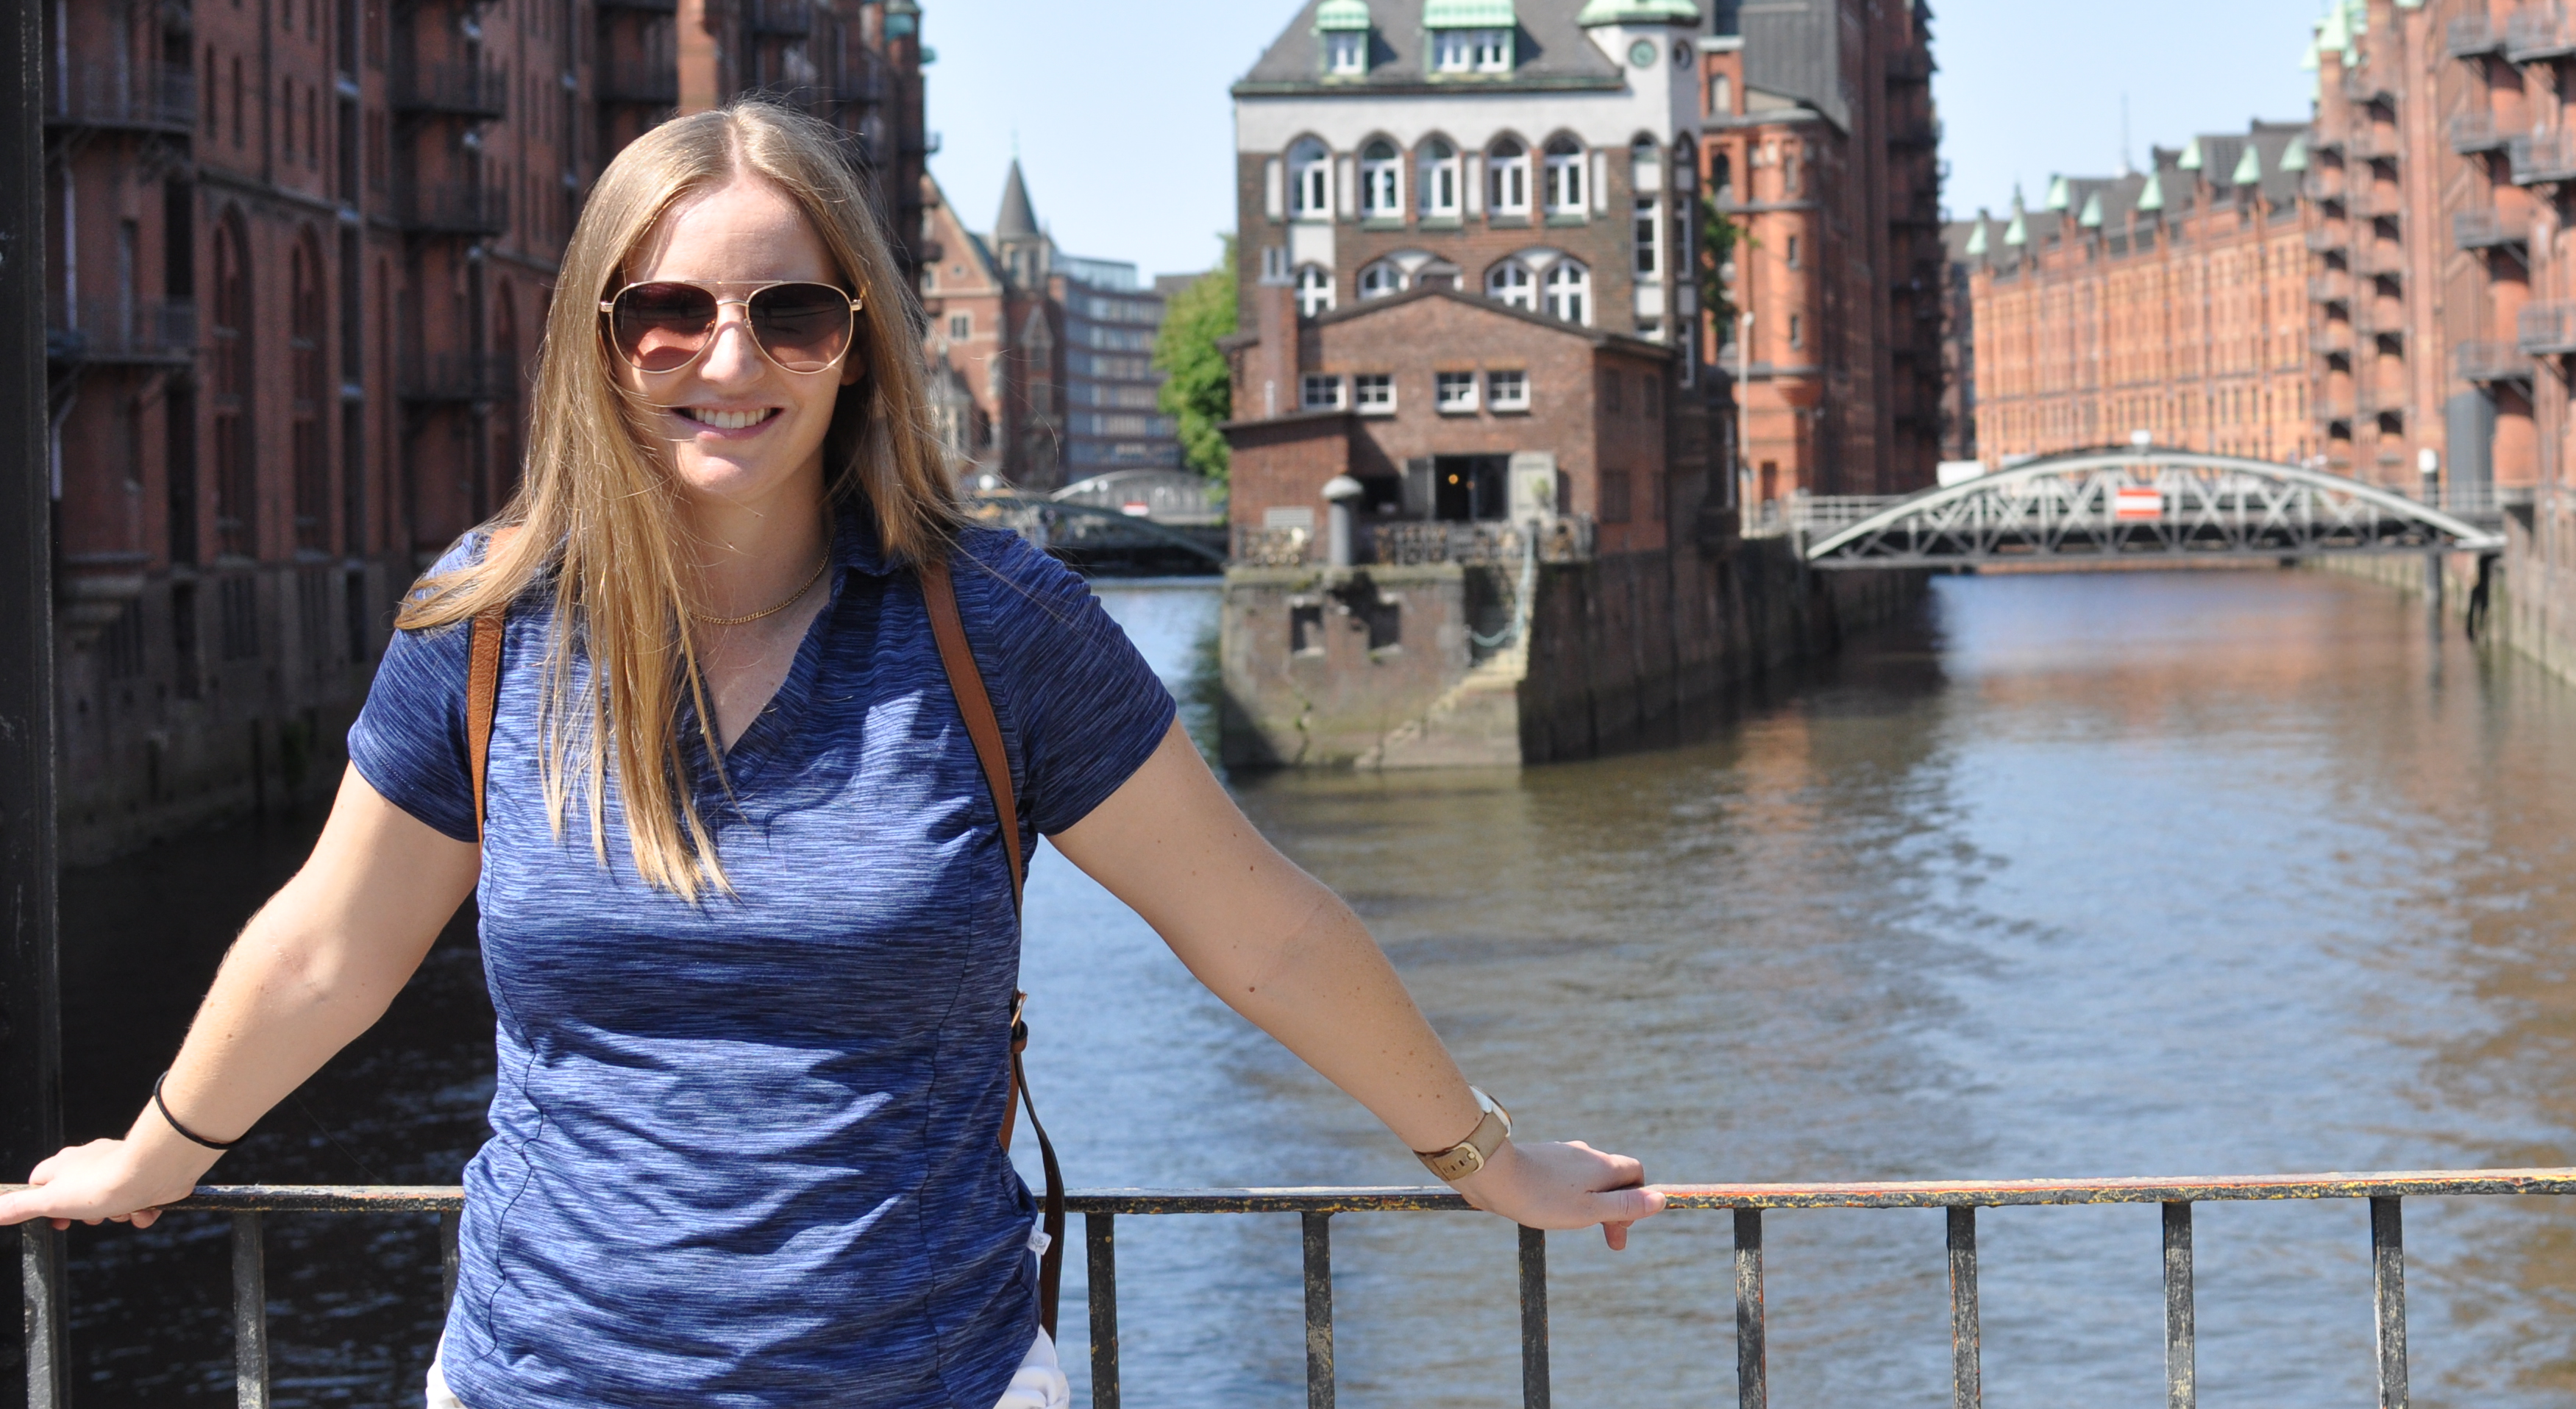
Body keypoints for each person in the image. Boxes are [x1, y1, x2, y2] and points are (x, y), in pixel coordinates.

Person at [1, 104, 1659, 1409]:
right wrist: (158, 1153)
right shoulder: (489, 619)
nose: (729, 360)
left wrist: (1480, 1153)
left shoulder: (991, 622)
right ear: (599, 337)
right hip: (546, 1376)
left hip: (924, 1376)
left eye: (786, 310)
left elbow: (1264, 929)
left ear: (856, 340)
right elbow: (327, 947)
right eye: (669, 313)